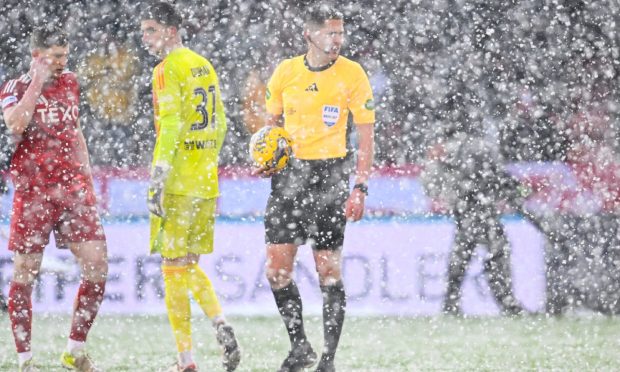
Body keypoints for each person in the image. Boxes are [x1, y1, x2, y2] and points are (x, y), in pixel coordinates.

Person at [257, 5, 375, 372]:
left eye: (340, 33)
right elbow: (270, 128)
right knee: (277, 271)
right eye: (330, 33)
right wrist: (266, 157)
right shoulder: (286, 72)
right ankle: (300, 347)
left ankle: (329, 359)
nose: (337, 40)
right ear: (309, 35)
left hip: (330, 176)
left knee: (328, 270)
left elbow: (366, 135)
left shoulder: (353, 74)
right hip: (289, 177)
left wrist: (360, 186)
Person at [0, 25, 108, 371]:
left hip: (73, 189)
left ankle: (74, 351)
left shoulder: (72, 83)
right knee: (25, 273)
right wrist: (37, 82)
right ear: (37, 55)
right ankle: (25, 360)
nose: (63, 62)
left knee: (97, 266)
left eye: (65, 55)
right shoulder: (13, 88)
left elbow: (75, 130)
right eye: (56, 56)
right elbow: (15, 124)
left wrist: (87, 177)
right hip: (34, 192)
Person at [140, 3, 240, 372]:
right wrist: (209, 166)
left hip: (178, 182)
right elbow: (222, 122)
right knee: (190, 265)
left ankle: (185, 359)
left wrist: (159, 175)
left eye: (150, 30)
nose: (145, 38)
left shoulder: (166, 70)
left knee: (172, 267)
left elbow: (170, 124)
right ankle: (220, 321)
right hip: (205, 180)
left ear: (169, 30)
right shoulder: (204, 64)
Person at [421, 131, 527, 317]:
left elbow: (434, 184)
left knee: (463, 258)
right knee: (492, 254)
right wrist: (515, 191)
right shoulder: (477, 149)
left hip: (468, 211)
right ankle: (505, 302)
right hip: (479, 210)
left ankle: (452, 302)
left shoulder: (458, 151)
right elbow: (498, 179)